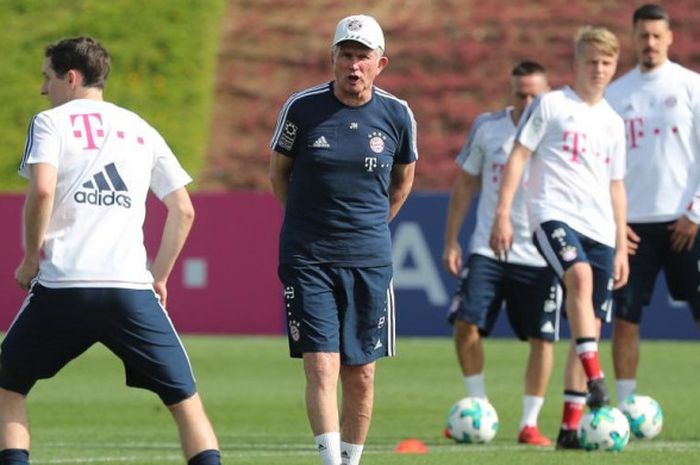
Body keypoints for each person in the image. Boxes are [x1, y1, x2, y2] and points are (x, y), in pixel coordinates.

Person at [0, 37, 221, 465]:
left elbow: (42, 188)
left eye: (46, 78)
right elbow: (183, 210)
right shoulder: (141, 128)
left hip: (64, 287)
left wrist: (30, 258)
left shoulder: (51, 123)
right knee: (185, 401)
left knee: (9, 388)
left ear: (70, 77)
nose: (43, 90)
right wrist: (158, 276)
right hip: (130, 290)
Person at [268, 14, 417, 465]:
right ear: (332, 58)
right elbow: (279, 174)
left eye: (362, 57)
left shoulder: (397, 114)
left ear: (380, 63)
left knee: (362, 372)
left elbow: (403, 181)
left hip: (369, 258)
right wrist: (306, 224)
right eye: (346, 55)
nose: (353, 65)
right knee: (321, 364)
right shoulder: (302, 108)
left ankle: (351, 461)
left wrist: (370, 226)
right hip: (307, 256)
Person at [490, 27, 628, 449]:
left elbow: (616, 186)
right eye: (591, 61)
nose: (599, 69)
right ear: (576, 64)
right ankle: (597, 379)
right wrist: (503, 212)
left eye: (606, 63)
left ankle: (570, 428)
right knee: (579, 278)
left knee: (589, 324)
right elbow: (518, 155)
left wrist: (622, 245)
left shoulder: (613, 122)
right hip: (553, 215)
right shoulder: (551, 105)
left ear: (614, 66)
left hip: (602, 228)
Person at [443, 61, 558, 446]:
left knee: (543, 339)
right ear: (511, 92)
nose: (527, 100)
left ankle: (529, 423)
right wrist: (451, 240)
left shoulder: (560, 129)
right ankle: (479, 406)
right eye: (520, 93)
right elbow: (465, 185)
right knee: (465, 326)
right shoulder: (488, 127)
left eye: (534, 94)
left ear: (547, 94)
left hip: (540, 252)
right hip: (487, 248)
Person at [606, 3, 700, 406]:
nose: (650, 43)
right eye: (643, 35)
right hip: (633, 227)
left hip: (687, 222)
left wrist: (696, 211)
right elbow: (603, 164)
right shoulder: (615, 93)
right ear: (633, 38)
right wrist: (615, 221)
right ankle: (627, 403)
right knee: (626, 318)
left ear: (669, 38)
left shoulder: (692, 86)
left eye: (657, 35)